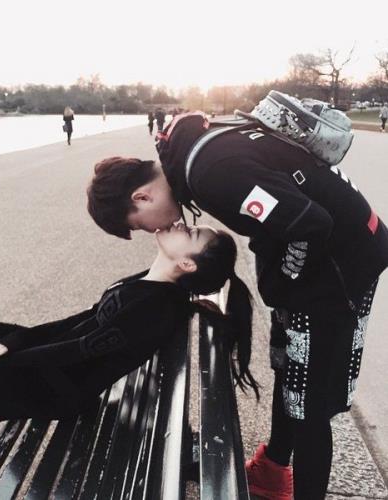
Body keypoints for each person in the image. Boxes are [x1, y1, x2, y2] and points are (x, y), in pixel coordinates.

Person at [86, 113, 388, 500]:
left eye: (141, 225)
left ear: (141, 198)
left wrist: (282, 282)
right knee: (290, 368)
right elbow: (284, 219)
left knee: (309, 405)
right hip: (332, 255)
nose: (155, 231)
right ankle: (273, 470)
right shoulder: (199, 152)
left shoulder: (212, 173)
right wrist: (281, 286)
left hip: (339, 266)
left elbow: (311, 224)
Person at [0, 223, 257, 499]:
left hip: (56, 386)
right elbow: (82, 321)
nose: (179, 224)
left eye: (190, 232)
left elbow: (81, 350)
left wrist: (9, 361)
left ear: (187, 263)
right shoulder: (148, 283)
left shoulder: (155, 308)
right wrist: (18, 339)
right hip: (53, 362)